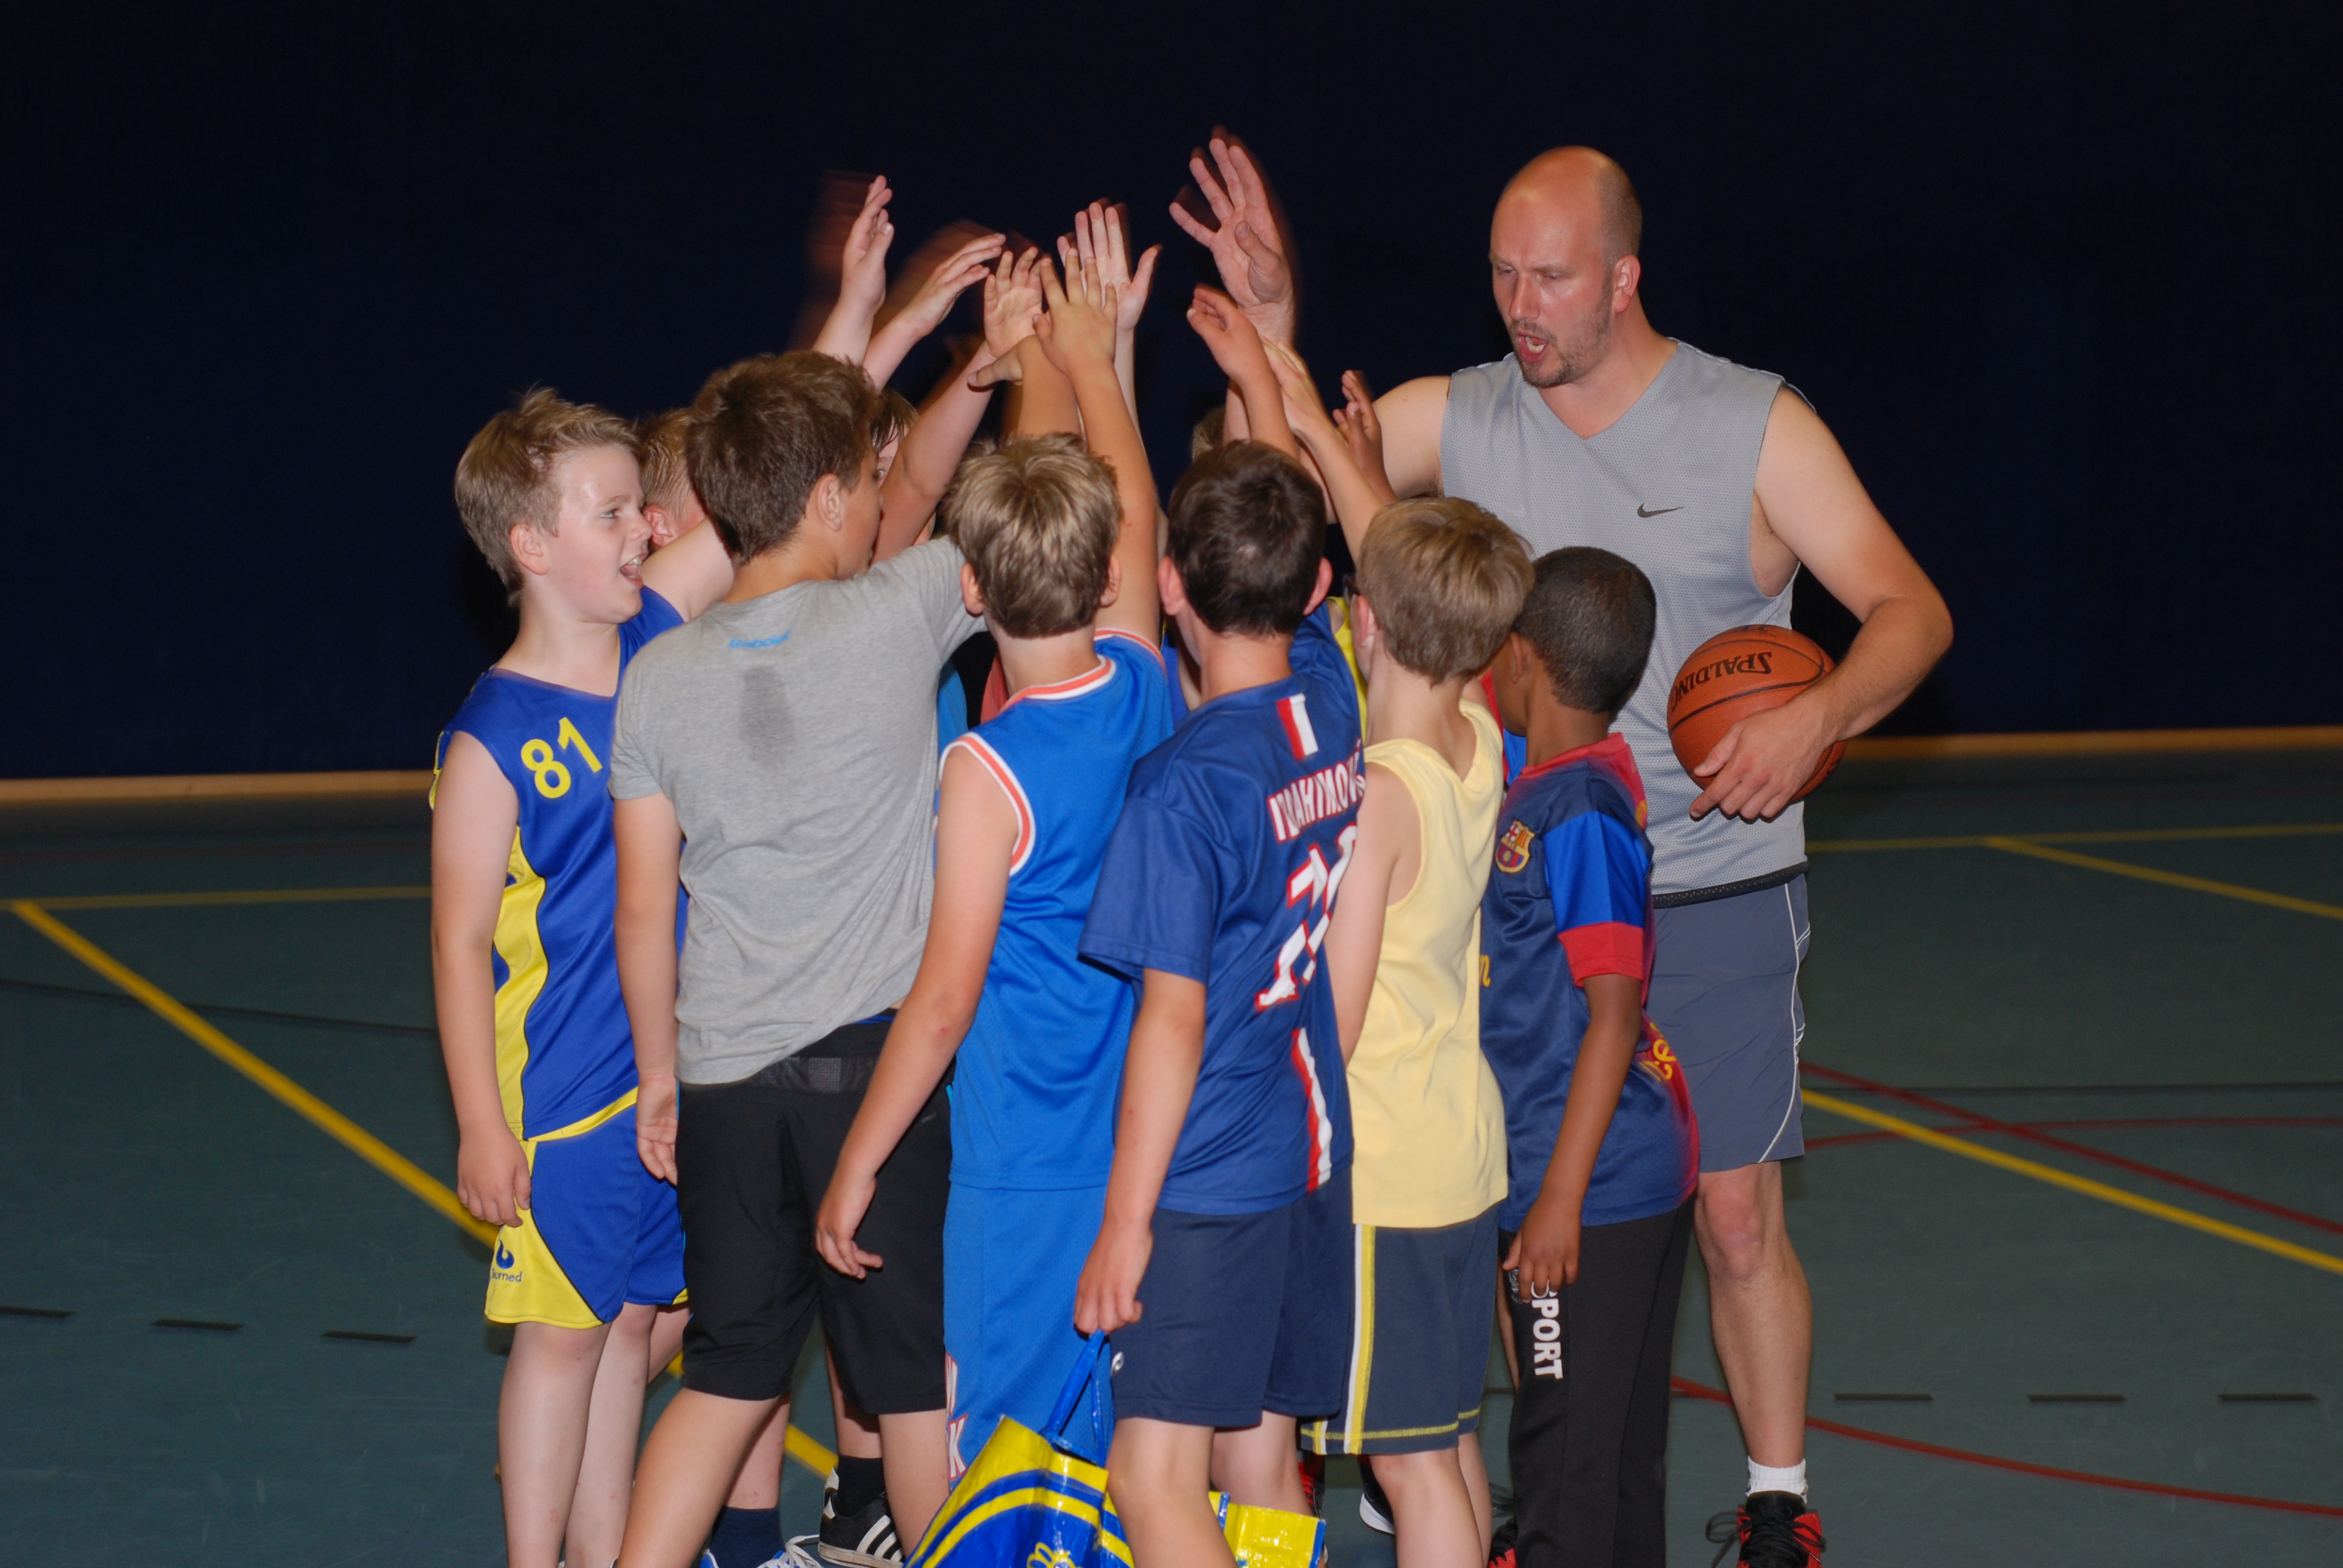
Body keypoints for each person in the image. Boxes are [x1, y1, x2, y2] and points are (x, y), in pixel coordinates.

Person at [1328, 146, 1954, 1564]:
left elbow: (1910, 609)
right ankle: (1543, 1489)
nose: (1518, 303)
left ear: (1622, 277)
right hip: (1530, 886)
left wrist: (1817, 716)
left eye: (1549, 277)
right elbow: (1322, 457)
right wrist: (1269, 317)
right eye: (1500, 272)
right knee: (1524, 1205)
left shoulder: (1752, 424)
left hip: (1717, 876)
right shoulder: (1471, 412)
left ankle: (1779, 1497)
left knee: (1732, 1211)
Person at [607, 350, 979, 1568]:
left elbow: (643, 909)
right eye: (868, 483)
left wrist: (659, 1076)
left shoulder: (656, 676)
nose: (883, 503)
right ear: (828, 498)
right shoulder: (895, 612)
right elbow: (1007, 509)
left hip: (722, 1082)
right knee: (909, 1388)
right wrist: (1018, 365)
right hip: (870, 1080)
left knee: (727, 1372)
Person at [812, 246, 1172, 1479]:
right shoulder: (1143, 684)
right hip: (1131, 1143)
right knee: (1110, 1469)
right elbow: (1135, 504)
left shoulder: (987, 771)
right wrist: (1091, 363)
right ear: (1113, 574)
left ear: (969, 587)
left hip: (1021, 1168)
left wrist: (858, 1162)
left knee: (1005, 1482)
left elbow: (942, 1004)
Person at [1070, 305, 1363, 1567]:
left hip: (1206, 1171)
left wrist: (1127, 1218)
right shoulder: (1330, 703)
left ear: (1169, 589)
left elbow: (1171, 1019)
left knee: (1151, 1482)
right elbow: (1289, 541)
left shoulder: (1182, 789)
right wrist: (1262, 378)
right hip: (1307, 1147)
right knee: (1256, 1452)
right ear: (1318, 590)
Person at [431, 388, 733, 1568]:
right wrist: (481, 1122)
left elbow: (770, 484)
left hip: (668, 1079)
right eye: (612, 513)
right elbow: (460, 941)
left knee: (626, 1328)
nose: (647, 528)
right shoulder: (493, 736)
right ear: (532, 545)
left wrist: (879, 321)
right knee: (562, 1341)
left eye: (642, 508)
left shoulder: (655, 635)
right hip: (563, 1097)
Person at [1308, 497, 1533, 1568]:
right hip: (1462, 1150)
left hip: (1385, 1167)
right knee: (1443, 1444)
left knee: (1406, 1467)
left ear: (1364, 623)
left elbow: (1336, 1019)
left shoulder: (1379, 800)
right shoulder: (1478, 738)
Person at [1480, 546, 1702, 1568]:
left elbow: (1613, 1014)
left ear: (1523, 657)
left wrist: (1557, 1199)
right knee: (1612, 1462)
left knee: (1567, 1466)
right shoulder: (1564, 777)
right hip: (1616, 1171)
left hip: (1594, 1188)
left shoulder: (1580, 813)